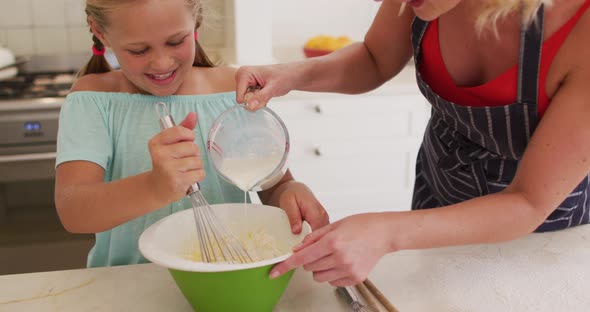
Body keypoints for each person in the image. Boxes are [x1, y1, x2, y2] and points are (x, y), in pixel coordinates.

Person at [234, 0, 590, 286]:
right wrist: (290, 75)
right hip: (438, 193)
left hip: (542, 233)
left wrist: (385, 232)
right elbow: (374, 59)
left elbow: (528, 202)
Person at [54, 0, 329, 268]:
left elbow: (272, 185)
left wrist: (290, 191)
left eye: (176, 41)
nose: (162, 63)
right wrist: (154, 187)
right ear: (101, 33)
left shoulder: (232, 91)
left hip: (227, 276)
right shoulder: (93, 99)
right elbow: (74, 211)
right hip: (126, 284)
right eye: (138, 50)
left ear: (195, 20)